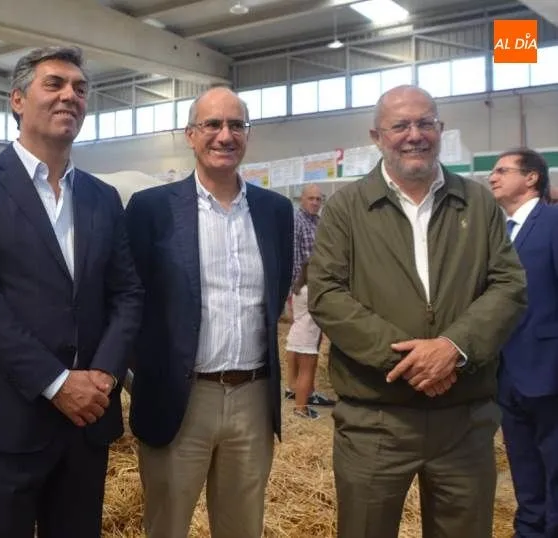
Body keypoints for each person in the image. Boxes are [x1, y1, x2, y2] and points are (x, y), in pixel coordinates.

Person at [0, 46, 143, 538]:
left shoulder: (101, 197)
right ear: (17, 100)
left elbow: (128, 293)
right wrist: (56, 382)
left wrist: (104, 375)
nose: (70, 95)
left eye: (79, 88)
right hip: (8, 417)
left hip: (87, 419)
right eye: (54, 84)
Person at [307, 84, 527, 538]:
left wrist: (454, 347)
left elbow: (508, 285)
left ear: (440, 129)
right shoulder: (347, 207)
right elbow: (327, 293)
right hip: (375, 420)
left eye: (426, 122)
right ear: (376, 135)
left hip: (463, 418)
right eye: (401, 125)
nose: (415, 135)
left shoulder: (478, 201)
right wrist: (408, 361)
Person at [125, 86, 293, 538]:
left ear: (247, 135)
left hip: (253, 399)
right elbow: (131, 298)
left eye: (236, 125)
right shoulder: (151, 209)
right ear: (190, 135)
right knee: (167, 525)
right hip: (181, 399)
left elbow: (275, 295)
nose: (225, 135)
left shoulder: (275, 210)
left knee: (243, 527)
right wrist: (155, 372)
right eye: (213, 125)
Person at [489, 147, 558, 538]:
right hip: (508, 374)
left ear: (531, 177)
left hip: (549, 370)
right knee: (522, 461)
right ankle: (529, 528)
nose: (493, 176)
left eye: (502, 170)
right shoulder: (501, 232)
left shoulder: (553, 223)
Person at [284, 183, 335, 418]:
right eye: (311, 198)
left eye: (318, 199)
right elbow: (292, 254)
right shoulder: (296, 221)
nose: (315, 202)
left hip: (315, 284)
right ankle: (299, 394)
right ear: (301, 199)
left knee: (303, 340)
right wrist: (292, 290)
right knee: (307, 341)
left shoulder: (318, 221)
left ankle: (298, 389)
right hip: (304, 287)